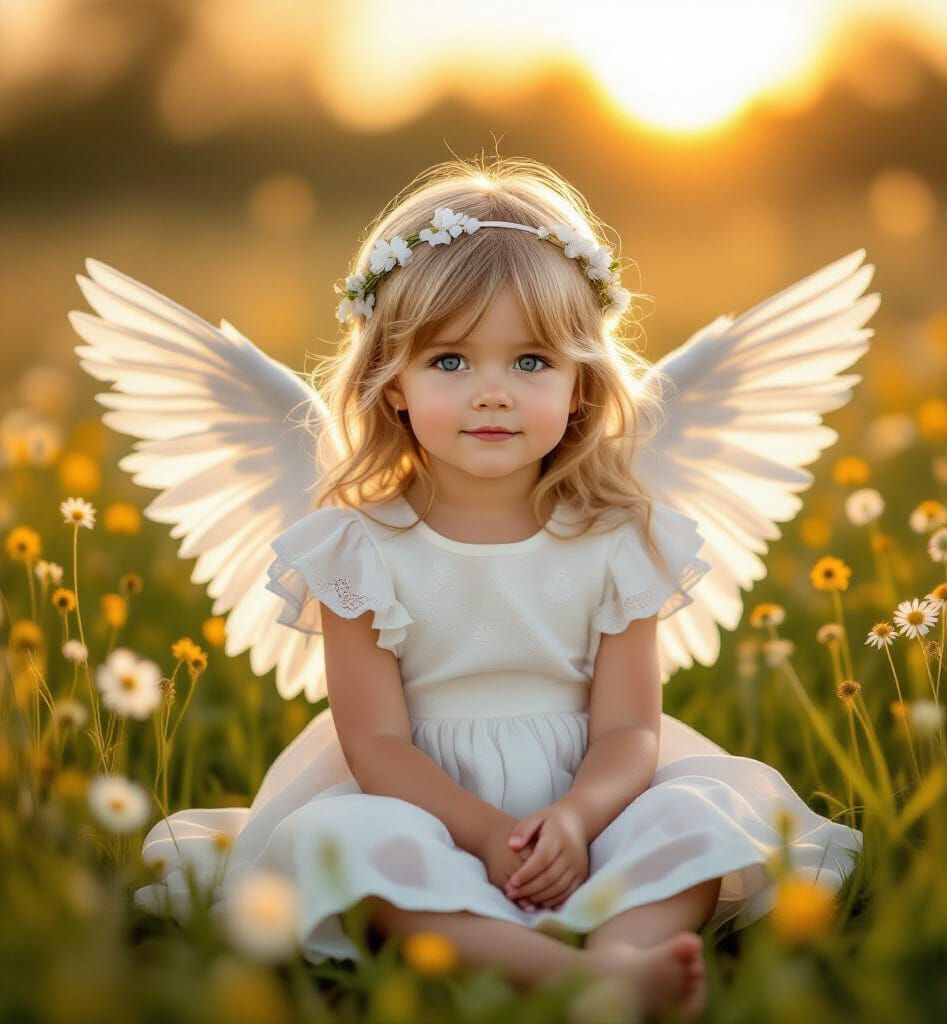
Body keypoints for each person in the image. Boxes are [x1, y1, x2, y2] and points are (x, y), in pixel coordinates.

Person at [70, 155, 877, 1018]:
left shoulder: (618, 535)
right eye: (450, 362)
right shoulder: (357, 546)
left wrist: (574, 817)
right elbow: (375, 744)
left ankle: (629, 952)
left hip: (594, 795)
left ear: (581, 386)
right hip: (416, 798)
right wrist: (487, 832)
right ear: (391, 384)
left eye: (531, 361)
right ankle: (569, 978)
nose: (492, 393)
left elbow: (632, 728)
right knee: (349, 842)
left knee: (697, 816)